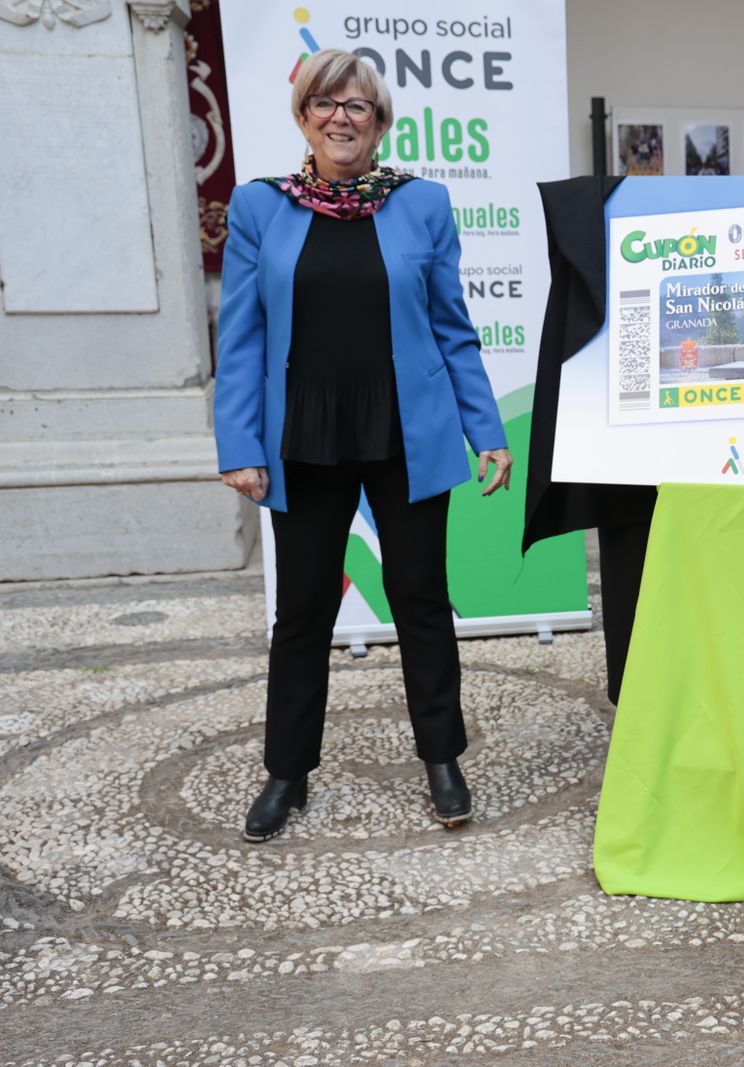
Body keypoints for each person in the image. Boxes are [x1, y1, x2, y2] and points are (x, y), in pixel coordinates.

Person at [214, 50, 512, 843]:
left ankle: (444, 759)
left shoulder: (422, 205)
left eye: (359, 106)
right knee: (303, 612)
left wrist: (487, 428)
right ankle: (287, 772)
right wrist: (238, 443)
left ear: (380, 124)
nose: (341, 116)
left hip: (403, 434)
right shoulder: (259, 208)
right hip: (302, 438)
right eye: (326, 102)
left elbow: (453, 328)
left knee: (420, 599)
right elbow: (239, 338)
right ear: (304, 115)